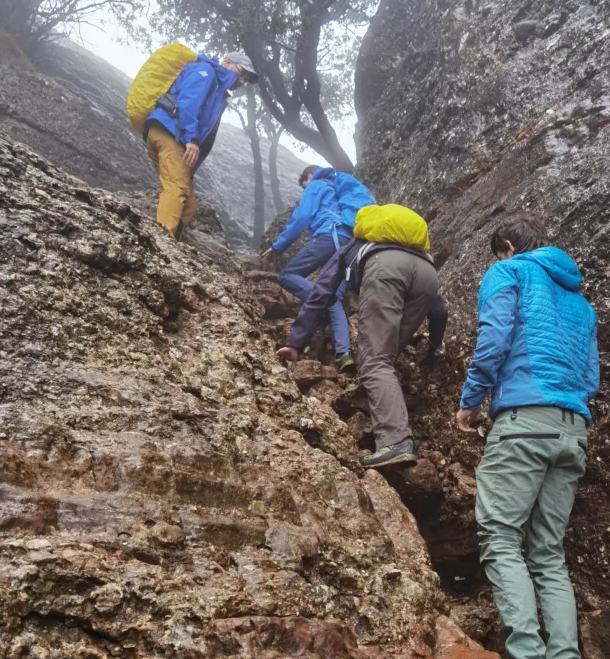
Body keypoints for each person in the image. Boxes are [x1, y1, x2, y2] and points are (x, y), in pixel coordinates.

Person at [455, 212, 599, 659]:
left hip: (522, 422)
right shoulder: (581, 303)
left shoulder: (510, 272)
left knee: (499, 537)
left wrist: (470, 404)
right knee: (547, 554)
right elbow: (590, 377)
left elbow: (493, 340)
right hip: (573, 429)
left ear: (508, 246)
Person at [277, 234, 441, 469]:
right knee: (386, 356)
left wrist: (295, 342)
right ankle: (394, 425)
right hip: (428, 274)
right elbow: (439, 310)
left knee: (375, 362)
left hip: (385, 270)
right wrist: (435, 344)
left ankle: (396, 442)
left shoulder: (352, 246)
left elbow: (321, 293)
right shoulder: (412, 248)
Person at [261, 166, 374, 373]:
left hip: (328, 237)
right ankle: (343, 354)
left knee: (287, 275)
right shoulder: (339, 191)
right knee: (335, 298)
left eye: (304, 185)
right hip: (349, 244)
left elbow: (302, 216)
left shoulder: (317, 184)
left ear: (309, 177)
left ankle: (322, 301)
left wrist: (278, 246)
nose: (305, 189)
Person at [144, 51, 258, 239]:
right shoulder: (207, 71)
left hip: (170, 133)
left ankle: (172, 242)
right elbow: (188, 103)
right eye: (242, 73)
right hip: (170, 132)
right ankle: (160, 245)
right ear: (228, 62)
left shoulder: (218, 87)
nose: (242, 81)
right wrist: (191, 140)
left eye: (246, 79)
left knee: (189, 206)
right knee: (176, 188)